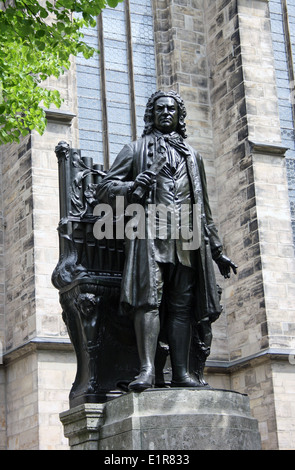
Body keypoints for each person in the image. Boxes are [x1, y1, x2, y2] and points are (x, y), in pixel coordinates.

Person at [96, 90, 237, 391]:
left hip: (186, 238)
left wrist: (217, 250)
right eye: (159, 109)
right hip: (150, 235)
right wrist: (134, 184)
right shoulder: (134, 150)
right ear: (151, 114)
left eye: (171, 109)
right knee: (148, 301)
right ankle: (147, 371)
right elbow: (104, 189)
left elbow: (205, 209)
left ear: (179, 115)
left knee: (182, 305)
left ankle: (181, 373)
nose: (166, 113)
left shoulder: (193, 156)